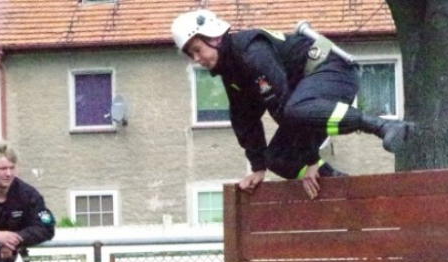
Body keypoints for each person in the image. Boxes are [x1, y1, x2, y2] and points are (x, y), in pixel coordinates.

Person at [171, 9, 412, 199]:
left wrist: (310, 160)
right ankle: (336, 186)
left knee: (295, 110)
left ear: (214, 38)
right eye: (192, 55)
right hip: (303, 98)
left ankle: (383, 127)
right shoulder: (231, 72)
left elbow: (283, 106)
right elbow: (244, 120)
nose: (197, 59)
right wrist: (258, 167)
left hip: (332, 69)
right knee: (277, 158)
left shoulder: (251, 52)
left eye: (197, 50)